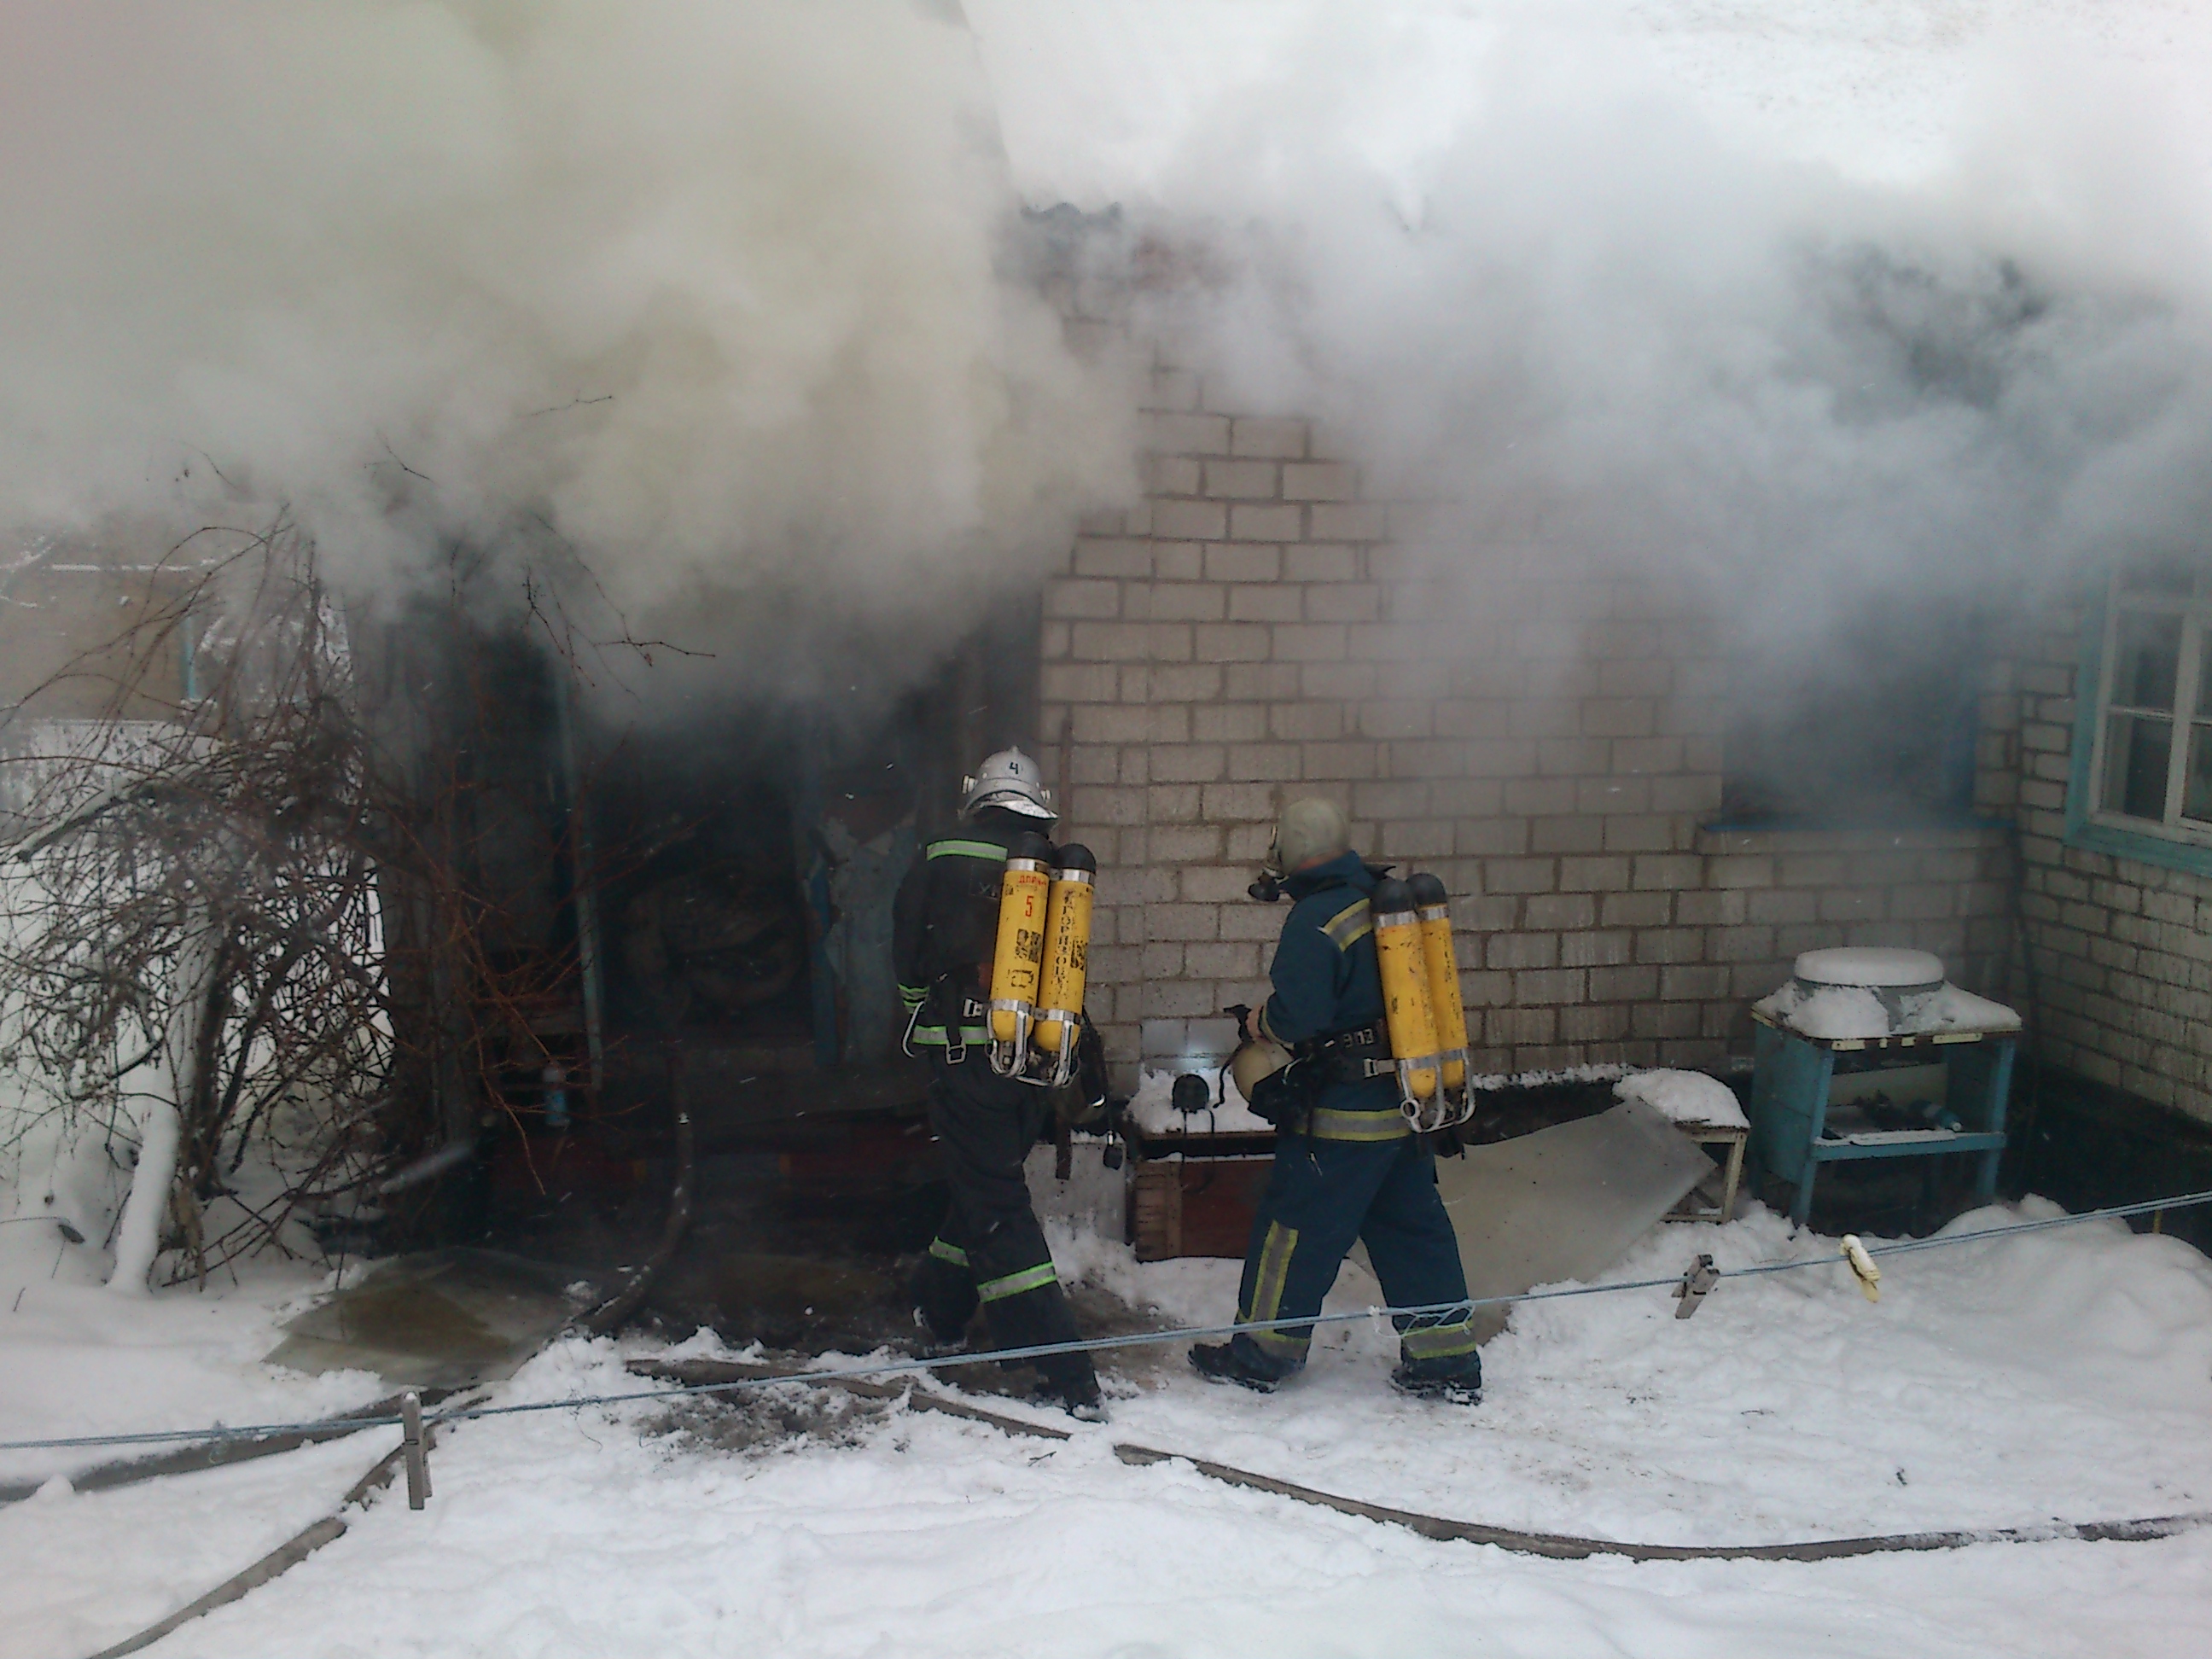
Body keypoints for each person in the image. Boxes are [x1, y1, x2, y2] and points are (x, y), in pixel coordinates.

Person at [1189, 797, 1484, 1402]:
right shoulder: (1384, 901)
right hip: (1409, 1102)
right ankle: (1446, 1359)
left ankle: (1262, 1354)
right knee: (1413, 1230)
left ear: (1291, 850)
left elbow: (1300, 1017)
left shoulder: (1317, 919)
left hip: (1344, 1118)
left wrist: (1260, 1023)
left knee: (1293, 1230)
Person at [893, 747, 1104, 1418]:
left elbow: (907, 951)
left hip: (966, 1062)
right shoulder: (1050, 867)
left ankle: (1066, 1371)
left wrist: (922, 1011)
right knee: (982, 1186)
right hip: (1034, 1063)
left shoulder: (940, 855)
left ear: (976, 797)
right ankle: (940, 1307)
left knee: (996, 1211)